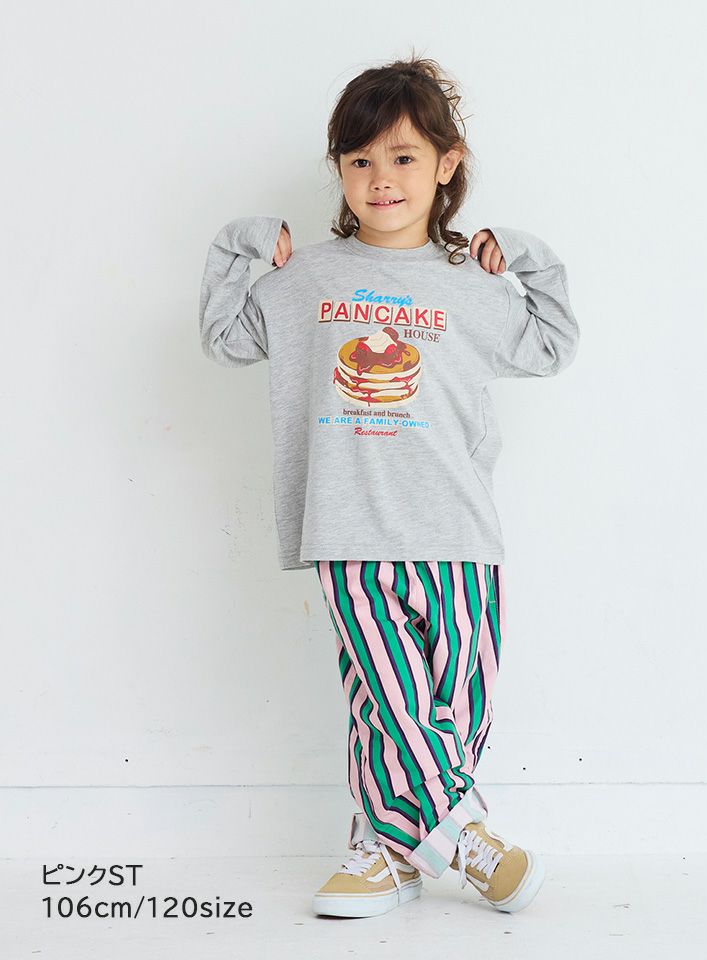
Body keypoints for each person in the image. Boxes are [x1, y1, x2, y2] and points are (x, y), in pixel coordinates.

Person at [198, 54, 579, 919]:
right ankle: (470, 841)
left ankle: (386, 852)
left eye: (404, 157)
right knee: (391, 699)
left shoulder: (473, 289)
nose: (381, 178)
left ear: (447, 165)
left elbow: (555, 344)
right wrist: (237, 245)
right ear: (338, 168)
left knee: (452, 707)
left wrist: (524, 257)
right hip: (350, 528)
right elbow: (224, 338)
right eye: (360, 158)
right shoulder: (306, 280)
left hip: (460, 532)